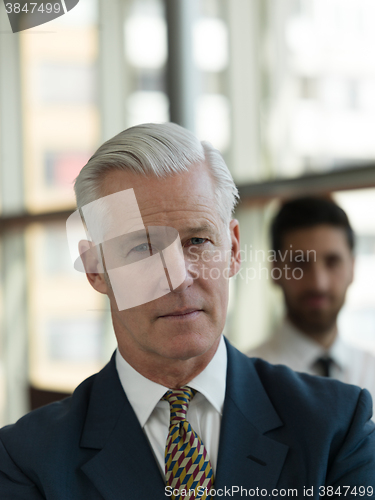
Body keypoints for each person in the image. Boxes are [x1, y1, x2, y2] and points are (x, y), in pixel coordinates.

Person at [0, 125, 374, 500]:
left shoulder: (337, 428)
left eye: (197, 240)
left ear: (233, 249)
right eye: (143, 248)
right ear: (96, 269)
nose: (178, 278)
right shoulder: (26, 459)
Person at [248, 197, 375, 412]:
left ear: (352, 268)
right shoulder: (244, 380)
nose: (319, 283)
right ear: (275, 270)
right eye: (300, 263)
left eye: (332, 261)